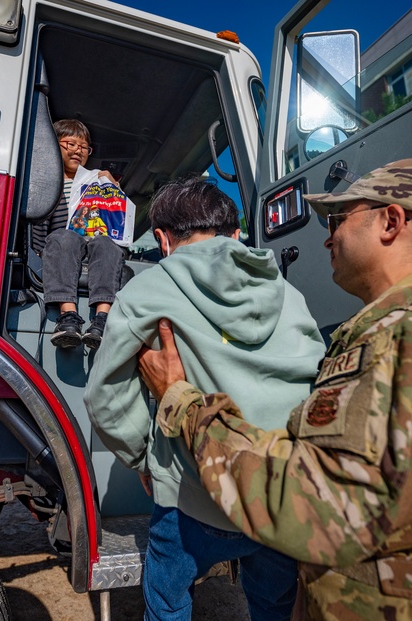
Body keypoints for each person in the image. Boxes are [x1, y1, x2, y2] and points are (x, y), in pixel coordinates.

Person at [138, 159, 412, 620]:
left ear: (391, 221)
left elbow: (316, 505)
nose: (327, 236)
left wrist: (182, 402)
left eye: (339, 219)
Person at [84, 178, 326, 621]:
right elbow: (316, 378)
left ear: (162, 239)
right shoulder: (288, 293)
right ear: (235, 234)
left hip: (191, 492)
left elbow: (105, 395)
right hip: (276, 488)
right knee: (273, 603)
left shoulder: (146, 292)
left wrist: (143, 460)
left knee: (169, 602)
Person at [32, 119, 124, 349]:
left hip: (93, 248)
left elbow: (117, 221)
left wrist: (113, 191)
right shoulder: (47, 184)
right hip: (62, 250)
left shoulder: (96, 181)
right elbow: (39, 226)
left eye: (83, 147)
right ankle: (68, 317)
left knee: (108, 243)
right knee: (64, 237)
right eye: (70, 144)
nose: (77, 150)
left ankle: (101, 319)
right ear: (54, 145)